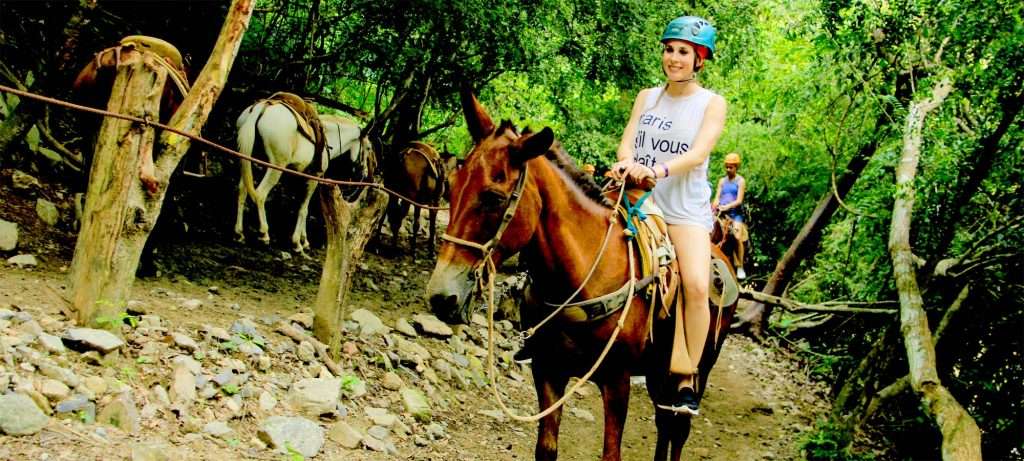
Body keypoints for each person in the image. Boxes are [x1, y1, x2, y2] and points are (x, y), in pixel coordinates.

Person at [608, 15, 726, 416]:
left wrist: (655, 170)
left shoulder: (711, 103)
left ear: (699, 60)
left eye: (683, 52)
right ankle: (549, 331)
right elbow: (627, 144)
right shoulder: (647, 97)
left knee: (694, 284)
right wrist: (627, 164)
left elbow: (698, 154)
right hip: (639, 200)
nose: (673, 58)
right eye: (669, 49)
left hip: (683, 210)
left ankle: (686, 376)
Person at [713, 152, 748, 279]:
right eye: (727, 167)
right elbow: (717, 197)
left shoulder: (740, 181)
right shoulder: (722, 181)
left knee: (737, 236)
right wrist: (715, 205)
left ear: (736, 167)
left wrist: (727, 206)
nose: (728, 169)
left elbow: (739, 200)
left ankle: (739, 266)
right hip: (722, 212)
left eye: (731, 167)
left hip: (734, 214)